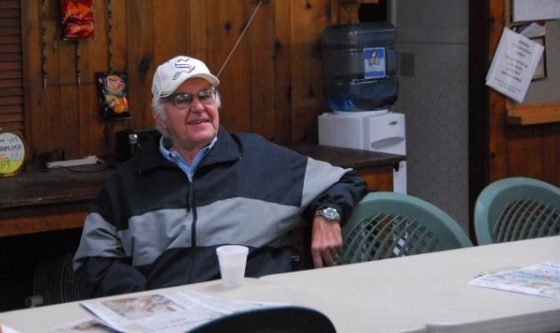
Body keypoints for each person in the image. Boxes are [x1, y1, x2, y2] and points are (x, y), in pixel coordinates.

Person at [73, 55, 368, 299]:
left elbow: (346, 181)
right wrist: (145, 299)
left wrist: (328, 214)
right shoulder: (127, 182)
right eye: (182, 99)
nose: (198, 107)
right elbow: (92, 264)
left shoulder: (261, 159)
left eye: (206, 95)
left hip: (257, 314)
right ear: (159, 117)